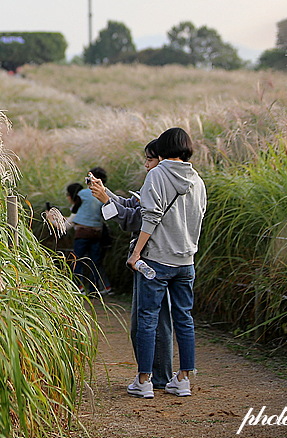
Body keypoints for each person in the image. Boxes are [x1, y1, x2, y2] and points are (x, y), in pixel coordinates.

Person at [127, 127, 206, 399]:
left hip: (157, 261)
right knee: (184, 319)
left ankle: (144, 381)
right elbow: (200, 216)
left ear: (162, 148)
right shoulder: (197, 180)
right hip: (186, 262)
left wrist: (136, 253)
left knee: (147, 319)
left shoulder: (157, 175)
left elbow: (150, 217)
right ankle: (183, 379)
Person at [89, 139, 174, 390]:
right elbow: (131, 206)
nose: (146, 165)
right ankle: (158, 377)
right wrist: (107, 194)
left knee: (149, 323)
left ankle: (152, 378)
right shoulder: (165, 182)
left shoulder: (159, 183)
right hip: (158, 259)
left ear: (163, 160)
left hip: (152, 259)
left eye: (150, 159)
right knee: (156, 321)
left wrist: (106, 201)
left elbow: (133, 220)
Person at [69, 167, 111, 296]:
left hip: (82, 232)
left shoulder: (82, 193)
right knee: (94, 261)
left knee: (78, 260)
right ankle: (94, 289)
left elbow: (74, 210)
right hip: (96, 232)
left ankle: (79, 287)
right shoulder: (105, 195)